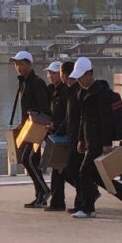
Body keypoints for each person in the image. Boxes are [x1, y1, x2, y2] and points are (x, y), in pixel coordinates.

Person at [68, 57, 122, 218]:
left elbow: (105, 120)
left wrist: (106, 143)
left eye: (80, 77)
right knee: (95, 174)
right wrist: (81, 139)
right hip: (89, 138)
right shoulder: (83, 92)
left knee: (84, 172)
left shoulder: (101, 93)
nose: (78, 80)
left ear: (89, 74)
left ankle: (87, 208)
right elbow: (82, 119)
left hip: (99, 140)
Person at [10, 51, 52, 209]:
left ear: (29, 64)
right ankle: (40, 197)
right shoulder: (24, 82)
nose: (18, 67)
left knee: (28, 159)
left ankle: (45, 190)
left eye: (21, 64)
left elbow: (44, 108)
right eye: (16, 64)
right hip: (27, 127)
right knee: (32, 160)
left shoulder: (36, 82)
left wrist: (34, 120)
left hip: (36, 128)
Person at [44, 61, 73, 212]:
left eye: (53, 73)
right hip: (57, 134)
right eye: (48, 73)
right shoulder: (52, 91)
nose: (49, 76)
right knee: (59, 170)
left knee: (62, 169)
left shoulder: (65, 92)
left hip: (64, 135)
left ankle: (58, 202)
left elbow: (68, 116)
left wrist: (57, 126)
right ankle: (57, 202)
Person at [58, 61, 85, 214]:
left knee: (73, 170)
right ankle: (81, 201)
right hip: (72, 136)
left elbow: (80, 118)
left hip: (78, 138)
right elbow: (69, 118)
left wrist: (81, 138)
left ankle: (84, 200)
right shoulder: (70, 91)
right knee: (73, 170)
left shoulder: (77, 92)